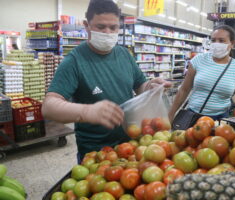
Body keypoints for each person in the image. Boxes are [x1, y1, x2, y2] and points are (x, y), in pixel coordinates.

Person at [42, 0, 170, 162]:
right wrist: (87, 112)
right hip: (96, 154)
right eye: (101, 27)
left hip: (130, 146)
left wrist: (151, 87)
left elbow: (140, 86)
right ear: (86, 25)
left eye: (113, 27)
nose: (108, 32)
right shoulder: (74, 61)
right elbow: (49, 107)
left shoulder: (124, 54)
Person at [169, 25, 235, 122]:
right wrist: (171, 114)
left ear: (232, 44)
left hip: (221, 120)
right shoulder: (199, 60)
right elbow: (184, 90)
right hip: (193, 116)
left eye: (221, 41)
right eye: (213, 40)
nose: (216, 44)